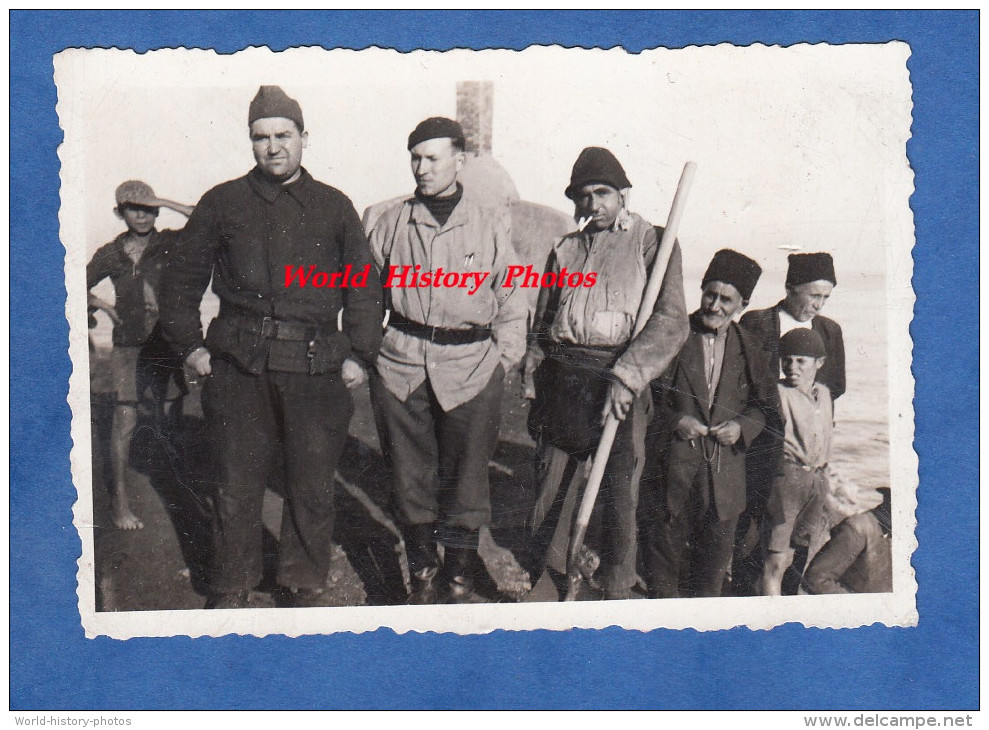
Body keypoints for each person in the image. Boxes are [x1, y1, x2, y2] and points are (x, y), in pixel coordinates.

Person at [158, 86, 383, 609]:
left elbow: (364, 287)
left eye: (284, 135)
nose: (273, 147)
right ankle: (231, 585)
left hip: (315, 368)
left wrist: (359, 354)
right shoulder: (222, 203)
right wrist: (192, 347)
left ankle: (302, 583)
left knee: (310, 485)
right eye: (261, 137)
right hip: (239, 367)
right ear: (250, 142)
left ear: (305, 138)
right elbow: (180, 283)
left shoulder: (334, 206)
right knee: (235, 485)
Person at [366, 117, 526, 605]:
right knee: (408, 477)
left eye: (433, 157)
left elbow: (513, 293)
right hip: (402, 366)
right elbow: (366, 292)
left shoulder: (488, 221)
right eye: (415, 157)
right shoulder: (391, 222)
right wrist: (372, 349)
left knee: (467, 477)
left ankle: (457, 578)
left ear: (459, 160)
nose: (421, 167)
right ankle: (422, 575)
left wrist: (505, 356)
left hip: (472, 366)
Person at [523, 146, 689, 600]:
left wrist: (629, 376)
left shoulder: (652, 241)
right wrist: (533, 362)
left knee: (618, 494)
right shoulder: (567, 248)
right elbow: (544, 317)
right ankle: (551, 578)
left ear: (624, 195)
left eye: (602, 193)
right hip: (563, 378)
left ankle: (615, 586)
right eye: (583, 195)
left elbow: (672, 320)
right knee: (550, 485)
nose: (592, 204)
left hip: (616, 379)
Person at [641, 249, 777, 598]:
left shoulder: (750, 347)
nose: (714, 305)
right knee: (663, 575)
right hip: (673, 474)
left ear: (742, 304)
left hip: (725, 484)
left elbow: (763, 408)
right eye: (709, 294)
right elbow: (645, 398)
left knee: (709, 582)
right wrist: (675, 420)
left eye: (725, 299)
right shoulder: (674, 335)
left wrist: (741, 429)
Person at [733, 251, 845, 594]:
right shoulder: (758, 322)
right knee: (753, 535)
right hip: (759, 447)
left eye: (826, 297)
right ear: (790, 288)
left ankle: (782, 603)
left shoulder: (828, 330)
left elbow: (833, 387)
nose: (819, 305)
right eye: (814, 295)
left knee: (795, 542)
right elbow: (738, 384)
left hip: (803, 458)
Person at [86, 180, 194, 530]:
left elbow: (202, 219)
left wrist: (159, 197)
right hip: (128, 347)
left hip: (167, 344)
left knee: (171, 419)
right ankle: (119, 503)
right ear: (120, 213)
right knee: (125, 422)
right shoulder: (111, 253)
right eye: (134, 208)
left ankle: (177, 494)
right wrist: (101, 305)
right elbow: (70, 283)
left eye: (149, 209)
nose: (143, 216)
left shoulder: (169, 243)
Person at [760, 328, 835, 595]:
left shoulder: (824, 394)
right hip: (787, 481)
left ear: (819, 363)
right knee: (776, 559)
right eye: (787, 360)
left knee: (798, 553)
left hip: (816, 480)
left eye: (801, 361)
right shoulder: (777, 392)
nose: (792, 367)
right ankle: (771, 621)